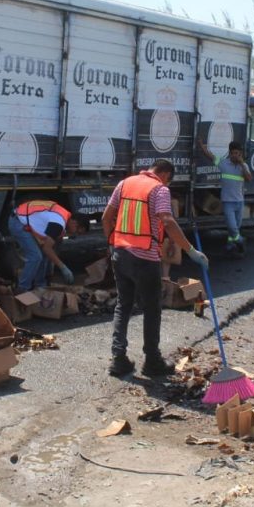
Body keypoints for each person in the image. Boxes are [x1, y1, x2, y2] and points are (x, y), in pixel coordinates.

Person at [101, 159, 209, 377]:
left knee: (123, 305)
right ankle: (152, 361)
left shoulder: (125, 183)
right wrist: (190, 251)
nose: (168, 183)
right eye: (169, 179)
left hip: (120, 254)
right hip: (145, 258)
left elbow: (106, 217)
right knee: (152, 308)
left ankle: (118, 359)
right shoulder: (159, 189)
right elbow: (167, 222)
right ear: (166, 173)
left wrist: (112, 243)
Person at [8, 200, 87, 293]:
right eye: (77, 231)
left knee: (44, 256)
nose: (75, 234)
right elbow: (47, 248)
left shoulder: (64, 217)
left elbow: (50, 248)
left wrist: (50, 268)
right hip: (18, 222)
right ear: (74, 223)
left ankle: (41, 285)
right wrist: (63, 267)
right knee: (35, 257)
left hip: (24, 219)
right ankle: (22, 289)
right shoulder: (59, 223)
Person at [198, 139, 253, 253]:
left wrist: (242, 164)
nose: (235, 156)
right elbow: (210, 156)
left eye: (237, 154)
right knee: (233, 228)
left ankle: (231, 245)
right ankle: (241, 241)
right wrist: (202, 146)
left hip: (239, 202)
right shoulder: (223, 163)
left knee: (235, 229)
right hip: (228, 202)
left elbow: (249, 179)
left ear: (240, 154)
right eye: (233, 153)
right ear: (229, 153)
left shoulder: (244, 166)